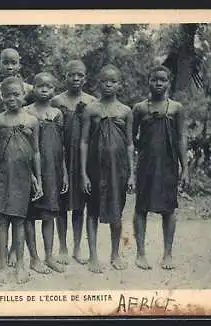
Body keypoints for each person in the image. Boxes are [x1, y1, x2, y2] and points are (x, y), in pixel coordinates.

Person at [132, 65, 188, 270]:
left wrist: (185, 168)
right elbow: (131, 140)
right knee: (141, 207)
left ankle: (168, 254)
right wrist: (139, 158)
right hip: (146, 164)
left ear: (168, 82)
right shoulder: (139, 108)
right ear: (148, 81)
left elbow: (182, 137)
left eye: (162, 80)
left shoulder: (176, 108)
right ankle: (140, 254)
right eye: (154, 79)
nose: (158, 83)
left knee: (169, 209)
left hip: (169, 165)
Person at [0, 76, 43, 284]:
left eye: (16, 94)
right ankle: (2, 265)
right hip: (2, 178)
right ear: (2, 96)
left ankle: (20, 265)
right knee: (1, 222)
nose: (12, 99)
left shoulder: (31, 121)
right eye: (8, 95)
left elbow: (36, 152)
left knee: (20, 222)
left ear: (24, 96)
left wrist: (38, 178)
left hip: (22, 178)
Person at [80, 64, 134, 273]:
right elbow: (84, 142)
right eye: (104, 81)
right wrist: (83, 173)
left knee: (116, 211)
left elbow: (130, 144)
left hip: (118, 170)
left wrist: (132, 175)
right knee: (92, 211)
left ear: (119, 84)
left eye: (113, 81)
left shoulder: (125, 111)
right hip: (95, 168)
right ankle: (93, 256)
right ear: (98, 83)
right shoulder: (91, 109)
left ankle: (115, 254)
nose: (108, 84)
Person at [50, 60, 97, 265]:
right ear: (65, 77)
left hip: (83, 159)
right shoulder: (55, 101)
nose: (76, 79)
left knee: (79, 204)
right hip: (60, 156)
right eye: (72, 75)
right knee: (61, 202)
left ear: (85, 78)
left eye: (80, 75)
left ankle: (77, 247)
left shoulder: (92, 101)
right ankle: (62, 246)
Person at [24, 72, 68, 274]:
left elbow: (62, 147)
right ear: (32, 88)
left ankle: (49, 256)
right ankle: (34, 258)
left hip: (53, 170)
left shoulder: (58, 114)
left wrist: (65, 173)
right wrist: (31, 173)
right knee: (29, 215)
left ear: (54, 90)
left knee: (50, 214)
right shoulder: (26, 112)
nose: (44, 89)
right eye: (40, 85)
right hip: (30, 170)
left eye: (49, 86)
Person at [0, 48, 34, 113]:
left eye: (14, 63)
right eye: (5, 63)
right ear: (0, 65)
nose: (9, 67)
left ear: (19, 66)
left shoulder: (29, 89)